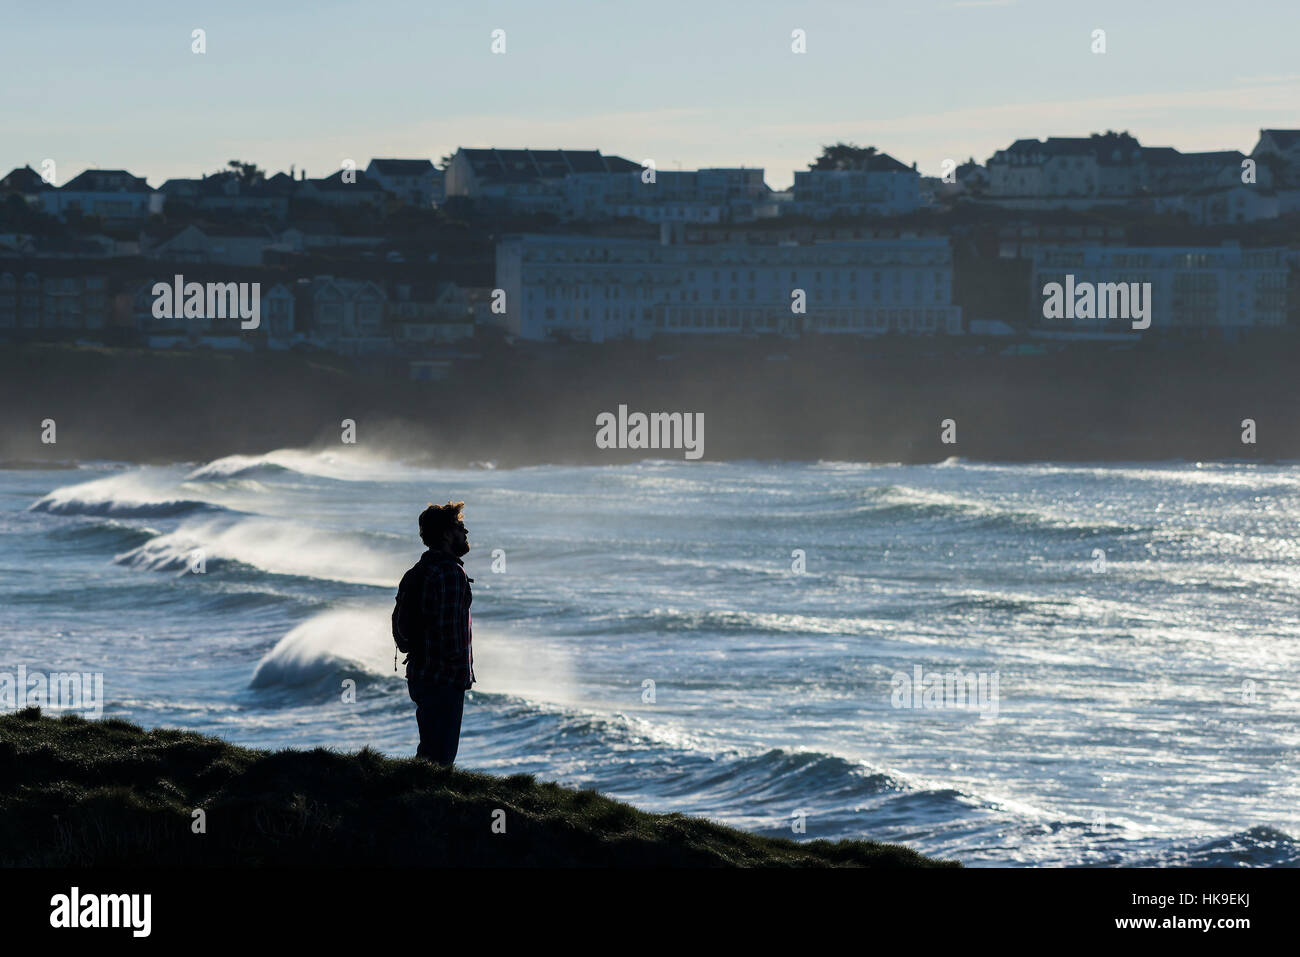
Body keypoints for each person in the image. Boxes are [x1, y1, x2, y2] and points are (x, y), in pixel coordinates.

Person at [393, 500, 474, 765]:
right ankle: (419, 802)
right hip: (443, 677)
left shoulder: (417, 571)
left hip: (420, 673)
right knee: (440, 757)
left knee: (429, 751)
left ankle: (414, 799)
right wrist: (461, 674)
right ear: (447, 534)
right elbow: (451, 634)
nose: (466, 533)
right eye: (460, 527)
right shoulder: (451, 573)